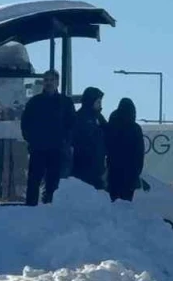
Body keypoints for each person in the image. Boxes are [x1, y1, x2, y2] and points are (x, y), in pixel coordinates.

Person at [21, 70, 76, 206]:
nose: (49, 83)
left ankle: (50, 208)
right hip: (38, 149)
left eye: (52, 80)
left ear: (57, 82)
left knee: (53, 182)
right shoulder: (35, 102)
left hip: (57, 150)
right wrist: (31, 140)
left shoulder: (65, 103)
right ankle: (30, 209)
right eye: (46, 80)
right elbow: (25, 123)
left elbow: (72, 125)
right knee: (34, 181)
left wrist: (65, 142)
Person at [105, 98, 145, 202]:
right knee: (126, 205)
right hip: (130, 175)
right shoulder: (135, 129)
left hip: (113, 173)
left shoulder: (112, 126)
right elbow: (139, 154)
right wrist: (136, 173)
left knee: (113, 204)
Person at [70, 86, 108, 190]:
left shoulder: (98, 117)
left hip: (96, 168)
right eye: (98, 102)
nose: (100, 105)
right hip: (84, 168)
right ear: (91, 102)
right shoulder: (81, 118)